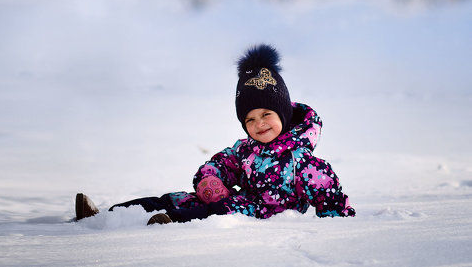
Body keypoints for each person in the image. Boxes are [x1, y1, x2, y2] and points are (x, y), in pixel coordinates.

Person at [75, 44, 355, 224]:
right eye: (250, 119)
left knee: (209, 213)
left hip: (254, 216)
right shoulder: (245, 149)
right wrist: (210, 179)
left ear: (282, 113)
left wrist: (335, 221)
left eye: (267, 115)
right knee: (176, 198)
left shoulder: (304, 163)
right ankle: (106, 217)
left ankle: (169, 223)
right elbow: (221, 162)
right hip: (233, 203)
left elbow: (332, 202)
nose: (259, 124)